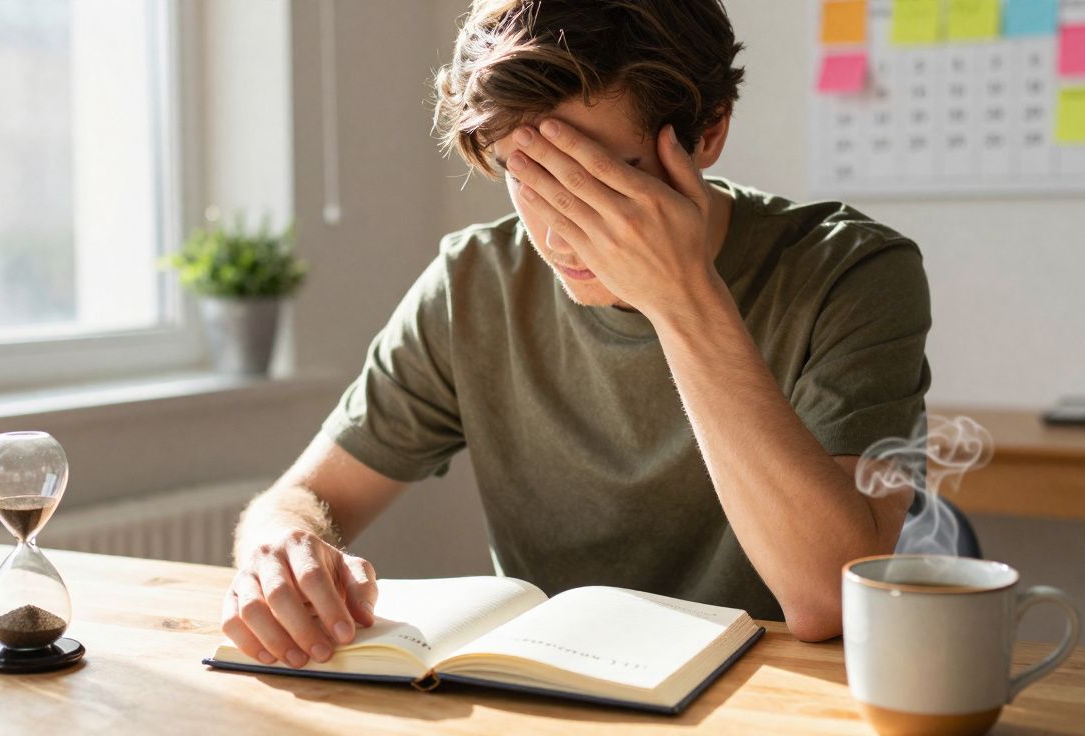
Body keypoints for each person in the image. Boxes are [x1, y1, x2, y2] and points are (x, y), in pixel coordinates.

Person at [222, 0, 929, 670]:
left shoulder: (851, 272)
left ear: (710, 131)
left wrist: (682, 300)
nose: (560, 233)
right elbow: (298, 498)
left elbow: (828, 597)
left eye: (601, 179)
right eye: (525, 176)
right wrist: (282, 545)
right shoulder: (474, 283)